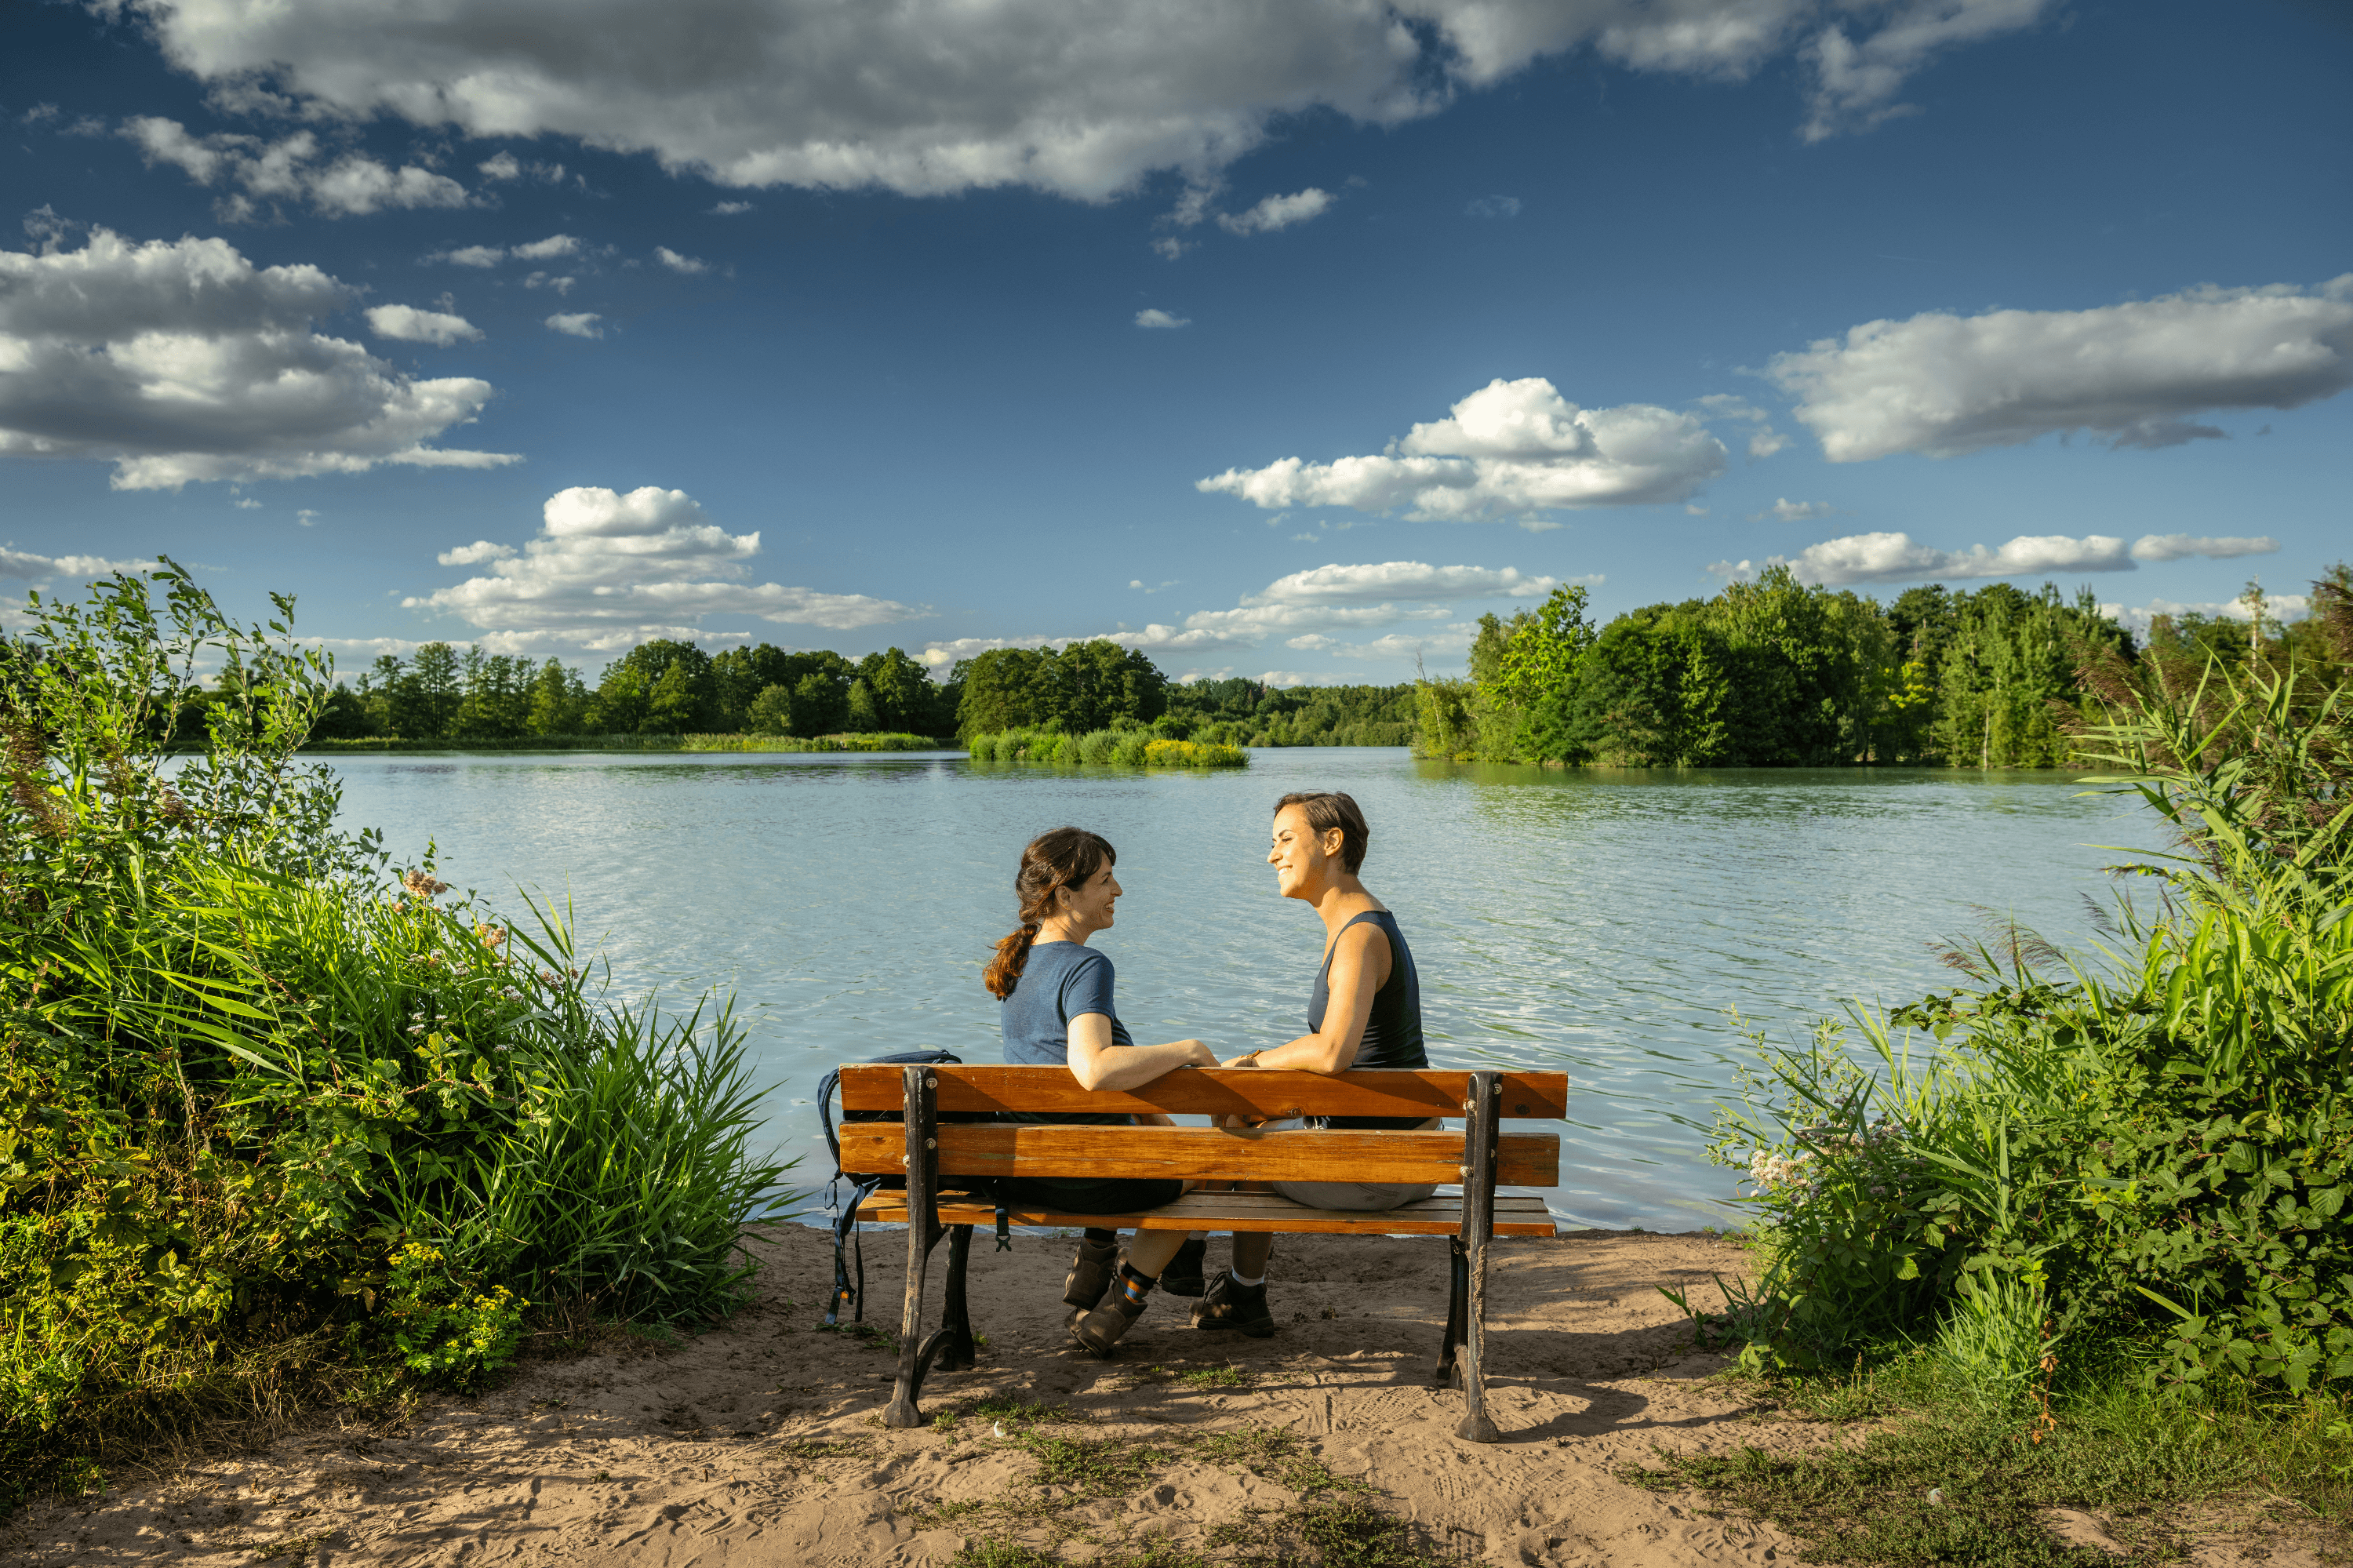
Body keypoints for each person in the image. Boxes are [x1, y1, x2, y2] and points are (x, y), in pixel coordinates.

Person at [1173, 791, 1435, 1337]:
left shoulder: (1361, 936)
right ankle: (1234, 1286)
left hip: (1379, 1168)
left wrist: (1253, 1063)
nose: (1273, 856)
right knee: (1239, 1119)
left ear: (1333, 842)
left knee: (1234, 1142)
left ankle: (1180, 1259)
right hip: (1401, 1149)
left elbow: (1333, 1051)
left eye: (1285, 840)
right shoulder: (1361, 925)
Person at [984, 825, 1219, 1355]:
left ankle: (1092, 1268)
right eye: (1107, 880)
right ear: (1065, 895)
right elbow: (1094, 1070)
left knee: (1162, 1154)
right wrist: (1188, 1048)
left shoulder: (1020, 966)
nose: (1118, 891)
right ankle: (1120, 1303)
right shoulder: (1088, 965)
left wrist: (1168, 1131)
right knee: (1216, 1174)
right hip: (1083, 1178)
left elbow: (1087, 1089)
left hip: (1026, 1172)